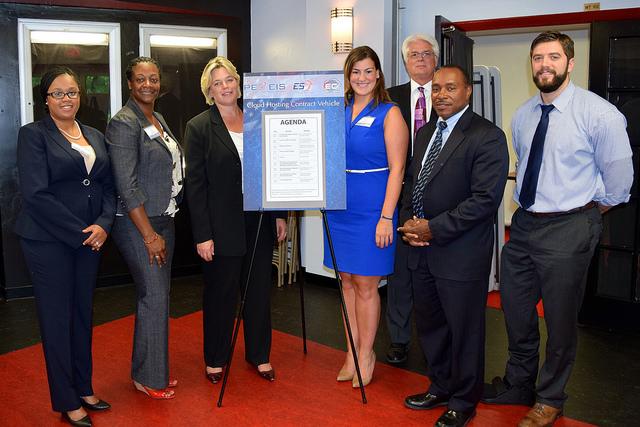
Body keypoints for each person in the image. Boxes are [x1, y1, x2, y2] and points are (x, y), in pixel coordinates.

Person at [481, 31, 633, 427]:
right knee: (515, 311)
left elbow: (619, 185)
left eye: (552, 56)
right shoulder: (525, 114)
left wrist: (582, 211)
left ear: (570, 62)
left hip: (570, 225)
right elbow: (528, 162)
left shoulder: (600, 115)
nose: (544, 64)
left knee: (561, 320)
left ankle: (550, 398)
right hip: (526, 225)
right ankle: (518, 383)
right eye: (537, 58)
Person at [400, 65, 508, 427]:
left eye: (450, 88)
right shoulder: (426, 132)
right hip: (421, 251)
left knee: (464, 331)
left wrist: (433, 228)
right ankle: (440, 386)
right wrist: (409, 224)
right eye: (436, 89)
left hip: (460, 254)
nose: (441, 95)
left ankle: (464, 399)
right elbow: (413, 182)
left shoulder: (486, 136)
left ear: (468, 92)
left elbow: (484, 200)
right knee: (431, 326)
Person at [15, 66, 115, 426]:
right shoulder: (33, 135)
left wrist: (103, 225)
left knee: (82, 315)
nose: (66, 99)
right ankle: (67, 399)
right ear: (46, 99)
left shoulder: (94, 135)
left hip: (90, 238)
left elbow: (106, 185)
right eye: (58, 93)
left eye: (72, 92)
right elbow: (36, 195)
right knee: (57, 320)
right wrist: (82, 232)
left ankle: (84, 387)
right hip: (48, 241)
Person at [184, 56, 287, 383]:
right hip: (220, 225)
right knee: (221, 294)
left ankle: (259, 355)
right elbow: (195, 186)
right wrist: (202, 234)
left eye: (229, 79)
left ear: (238, 84)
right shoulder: (199, 126)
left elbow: (272, 170)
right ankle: (215, 358)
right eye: (218, 83)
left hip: (259, 220)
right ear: (209, 91)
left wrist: (279, 215)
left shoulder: (259, 119)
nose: (226, 86)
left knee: (258, 292)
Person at [324, 46, 408, 387]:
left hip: (374, 208)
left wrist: (387, 216)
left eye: (368, 71)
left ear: (378, 75)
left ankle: (366, 354)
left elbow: (398, 169)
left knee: (367, 284)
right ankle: (350, 352)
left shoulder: (390, 113)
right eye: (356, 71)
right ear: (348, 76)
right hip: (339, 208)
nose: (362, 78)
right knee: (345, 280)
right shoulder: (337, 110)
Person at [106, 57, 184, 399]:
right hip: (141, 225)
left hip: (162, 218)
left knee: (157, 297)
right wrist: (150, 236)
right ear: (129, 83)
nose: (148, 84)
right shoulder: (124, 123)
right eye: (141, 79)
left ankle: (150, 370)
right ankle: (149, 378)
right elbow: (127, 185)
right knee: (153, 296)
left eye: (153, 78)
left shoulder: (157, 117)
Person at [385, 33, 439, 365]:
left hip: (441, 197)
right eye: (413, 54)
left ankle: (436, 340)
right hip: (401, 195)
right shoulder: (390, 98)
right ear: (406, 62)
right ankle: (399, 339)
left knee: (436, 273)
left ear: (435, 59)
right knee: (400, 274)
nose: (420, 59)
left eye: (426, 53)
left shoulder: (450, 93)